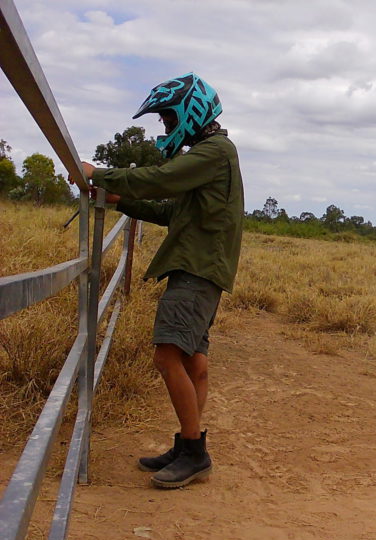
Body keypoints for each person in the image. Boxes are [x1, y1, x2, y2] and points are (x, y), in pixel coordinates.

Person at [71, 73, 244, 489]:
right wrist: (121, 201)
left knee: (167, 355)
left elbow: (159, 179)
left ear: (189, 112)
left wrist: (101, 175)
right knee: (192, 362)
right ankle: (187, 446)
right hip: (203, 268)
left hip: (196, 270)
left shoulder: (214, 152)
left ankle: (195, 453)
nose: (165, 126)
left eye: (167, 117)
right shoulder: (213, 155)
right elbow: (172, 214)